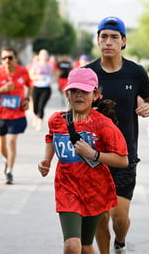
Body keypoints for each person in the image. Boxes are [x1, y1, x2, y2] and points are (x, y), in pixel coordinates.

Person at [85, 16, 149, 253]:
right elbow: (74, 106)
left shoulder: (135, 72)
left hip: (124, 155)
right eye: (104, 36)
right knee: (100, 216)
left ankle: (120, 243)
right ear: (97, 40)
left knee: (119, 217)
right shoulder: (87, 73)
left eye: (114, 37)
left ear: (123, 41)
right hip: (93, 155)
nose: (108, 42)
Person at [38, 68, 129, 254]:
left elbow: (123, 160)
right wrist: (46, 160)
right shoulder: (57, 120)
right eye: (74, 91)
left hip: (95, 190)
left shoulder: (103, 124)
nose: (79, 95)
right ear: (66, 94)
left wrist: (94, 154)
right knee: (72, 246)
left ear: (95, 95)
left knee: (86, 246)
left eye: (85, 91)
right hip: (67, 188)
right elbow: (50, 137)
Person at [0, 47, 32, 184]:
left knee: (12, 141)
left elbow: (30, 85)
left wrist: (27, 99)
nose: (7, 60)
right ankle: (6, 160)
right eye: (4, 58)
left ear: (15, 59)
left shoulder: (23, 71)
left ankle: (9, 172)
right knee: (1, 145)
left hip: (17, 113)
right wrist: (3, 89)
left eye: (10, 58)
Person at [28, 49, 55, 131]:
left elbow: (52, 77)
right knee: (35, 107)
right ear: (39, 56)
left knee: (41, 106)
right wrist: (39, 77)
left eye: (45, 54)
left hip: (46, 89)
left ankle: (39, 122)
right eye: (42, 54)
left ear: (47, 56)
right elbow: (31, 76)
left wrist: (51, 81)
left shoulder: (50, 66)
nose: (44, 56)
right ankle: (36, 116)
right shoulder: (35, 65)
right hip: (36, 87)